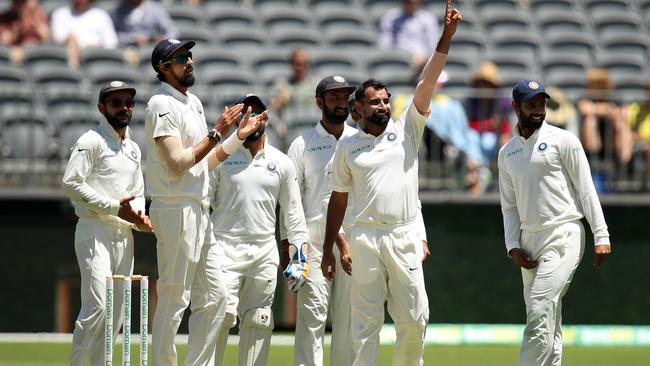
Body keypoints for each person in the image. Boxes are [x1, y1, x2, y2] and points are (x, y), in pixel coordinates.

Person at [321, 1, 460, 364]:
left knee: (414, 321)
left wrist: (445, 37)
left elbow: (427, 81)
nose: (383, 106)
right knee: (364, 326)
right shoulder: (347, 147)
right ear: (358, 110)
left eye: (386, 101)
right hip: (364, 237)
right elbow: (337, 199)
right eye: (375, 102)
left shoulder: (407, 130)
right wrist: (330, 248)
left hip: (403, 236)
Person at [144, 38, 268, 366]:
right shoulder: (160, 104)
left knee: (217, 297)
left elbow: (205, 161)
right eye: (180, 57)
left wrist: (238, 136)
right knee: (174, 298)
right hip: (174, 207)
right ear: (163, 68)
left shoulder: (193, 102)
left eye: (189, 55)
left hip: (199, 209)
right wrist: (217, 131)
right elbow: (178, 162)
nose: (189, 61)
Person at [498, 79, 612, 366]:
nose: (538, 110)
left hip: (564, 233)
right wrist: (513, 245)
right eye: (531, 104)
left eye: (542, 104)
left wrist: (602, 235)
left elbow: (586, 190)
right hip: (529, 240)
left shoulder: (565, 141)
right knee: (548, 318)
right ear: (516, 107)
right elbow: (509, 206)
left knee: (539, 311)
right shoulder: (507, 153)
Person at [210, 94, 310, 366]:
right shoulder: (220, 158)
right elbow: (202, 204)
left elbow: (293, 213)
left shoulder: (282, 162)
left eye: (258, 113)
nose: (253, 119)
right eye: (247, 113)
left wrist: (299, 255)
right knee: (221, 315)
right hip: (223, 246)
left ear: (267, 117)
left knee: (259, 319)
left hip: (264, 250)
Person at [61, 81, 154, 366]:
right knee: (98, 307)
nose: (124, 107)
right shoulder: (91, 140)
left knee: (116, 314)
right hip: (94, 231)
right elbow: (71, 184)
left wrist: (140, 219)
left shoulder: (134, 149)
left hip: (124, 236)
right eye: (116, 102)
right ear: (102, 107)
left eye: (128, 102)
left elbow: (137, 194)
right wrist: (115, 208)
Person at [281, 75, 358, 366]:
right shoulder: (302, 145)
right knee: (312, 315)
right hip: (313, 237)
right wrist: (290, 248)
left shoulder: (359, 140)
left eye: (344, 97)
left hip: (352, 235)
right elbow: (292, 202)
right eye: (334, 97)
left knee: (348, 320)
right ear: (319, 102)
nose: (341, 103)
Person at [578, 68, 632, 192]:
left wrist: (601, 110)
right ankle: (596, 150)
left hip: (613, 146)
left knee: (620, 123)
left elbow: (626, 113)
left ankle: (624, 157)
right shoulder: (586, 98)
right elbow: (585, 108)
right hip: (592, 149)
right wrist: (608, 110)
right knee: (590, 119)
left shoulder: (615, 99)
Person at [269, 48, 321, 137]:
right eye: (297, 64)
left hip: (313, 126)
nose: (300, 68)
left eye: (304, 64)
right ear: (291, 64)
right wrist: (281, 101)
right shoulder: (282, 83)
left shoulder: (317, 83)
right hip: (289, 129)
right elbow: (272, 108)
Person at [50, 0, 118, 68]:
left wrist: (95, 46)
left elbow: (111, 43)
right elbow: (58, 39)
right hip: (67, 58)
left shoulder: (101, 15)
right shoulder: (61, 13)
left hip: (96, 58)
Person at [378, 0, 440, 70]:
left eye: (412, 2)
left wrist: (423, 58)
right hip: (397, 60)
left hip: (422, 62)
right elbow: (384, 45)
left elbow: (433, 46)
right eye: (407, 1)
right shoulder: (391, 17)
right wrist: (400, 57)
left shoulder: (428, 18)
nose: (409, 3)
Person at [0, 0, 50, 64]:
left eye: (23, 3)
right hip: (15, 51)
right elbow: (5, 41)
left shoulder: (39, 15)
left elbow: (46, 38)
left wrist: (34, 21)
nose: (21, 6)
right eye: (18, 2)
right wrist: (17, 29)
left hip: (36, 53)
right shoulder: (5, 18)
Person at [111, 0, 178, 48]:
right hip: (126, 48)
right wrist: (131, 39)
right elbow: (112, 35)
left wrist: (161, 41)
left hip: (151, 48)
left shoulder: (155, 9)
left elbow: (172, 31)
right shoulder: (118, 11)